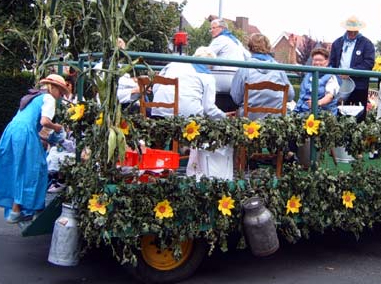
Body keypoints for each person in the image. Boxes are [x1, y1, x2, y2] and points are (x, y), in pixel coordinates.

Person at [0, 74, 68, 223]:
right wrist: (57, 127)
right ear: (54, 88)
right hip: (25, 133)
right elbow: (44, 121)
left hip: (12, 130)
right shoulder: (48, 98)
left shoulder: (33, 98)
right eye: (61, 93)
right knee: (36, 169)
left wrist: (46, 138)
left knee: (17, 168)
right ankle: (34, 209)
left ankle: (16, 210)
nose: (60, 96)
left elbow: (33, 124)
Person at [150, 47, 231, 180]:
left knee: (163, 130)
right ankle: (195, 169)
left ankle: (154, 167)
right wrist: (224, 116)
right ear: (210, 65)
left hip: (158, 111)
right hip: (187, 120)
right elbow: (209, 108)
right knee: (206, 124)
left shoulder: (173, 64)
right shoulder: (207, 76)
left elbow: (156, 86)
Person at [230, 33, 295, 119]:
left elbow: (236, 98)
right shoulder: (279, 69)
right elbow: (290, 96)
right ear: (268, 47)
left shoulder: (244, 68)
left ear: (250, 47)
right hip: (276, 121)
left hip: (249, 121)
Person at [329, 16, 376, 120]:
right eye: (350, 30)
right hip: (339, 85)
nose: (352, 33)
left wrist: (351, 72)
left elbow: (369, 63)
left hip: (359, 86)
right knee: (338, 114)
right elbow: (332, 62)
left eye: (355, 31)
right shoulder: (337, 43)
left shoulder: (367, 44)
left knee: (358, 116)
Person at [93, 38, 140, 110]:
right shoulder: (101, 67)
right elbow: (117, 82)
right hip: (110, 104)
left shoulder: (118, 66)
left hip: (122, 101)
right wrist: (134, 87)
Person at [294, 47, 340, 115]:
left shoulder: (331, 77)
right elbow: (295, 66)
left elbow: (329, 96)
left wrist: (317, 103)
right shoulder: (308, 73)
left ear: (327, 62)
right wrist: (292, 48)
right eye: (315, 60)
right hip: (301, 110)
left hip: (322, 113)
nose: (317, 62)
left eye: (320, 60)